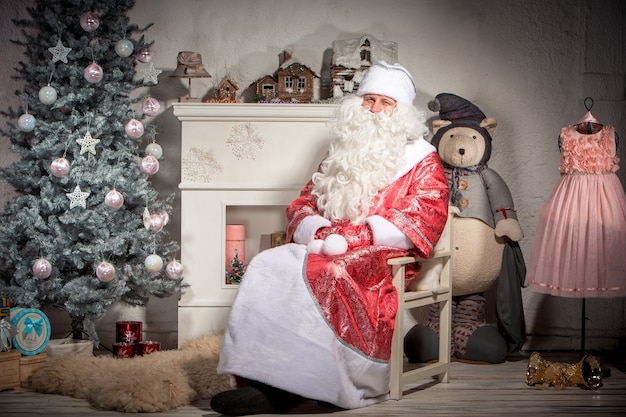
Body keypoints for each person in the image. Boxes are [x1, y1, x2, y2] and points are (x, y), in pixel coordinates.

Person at [211, 61, 450, 415]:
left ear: (401, 112)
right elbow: (304, 202)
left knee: (333, 275)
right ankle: (264, 380)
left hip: (383, 254)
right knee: (268, 264)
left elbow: (426, 214)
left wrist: (363, 234)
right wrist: (319, 229)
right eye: (369, 100)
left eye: (386, 103)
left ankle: (331, 382)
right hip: (324, 245)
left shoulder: (423, 161)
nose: (375, 110)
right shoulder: (341, 153)